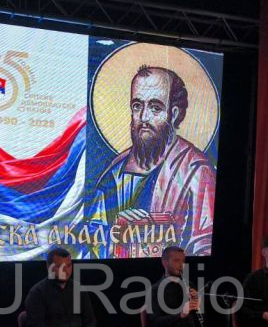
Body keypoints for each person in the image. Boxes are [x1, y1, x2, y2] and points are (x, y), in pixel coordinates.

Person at [87, 65, 216, 255]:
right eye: (137, 106)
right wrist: (118, 232)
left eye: (155, 108)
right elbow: (93, 235)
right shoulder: (115, 171)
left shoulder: (195, 171)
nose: (143, 117)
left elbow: (205, 245)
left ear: (173, 114)